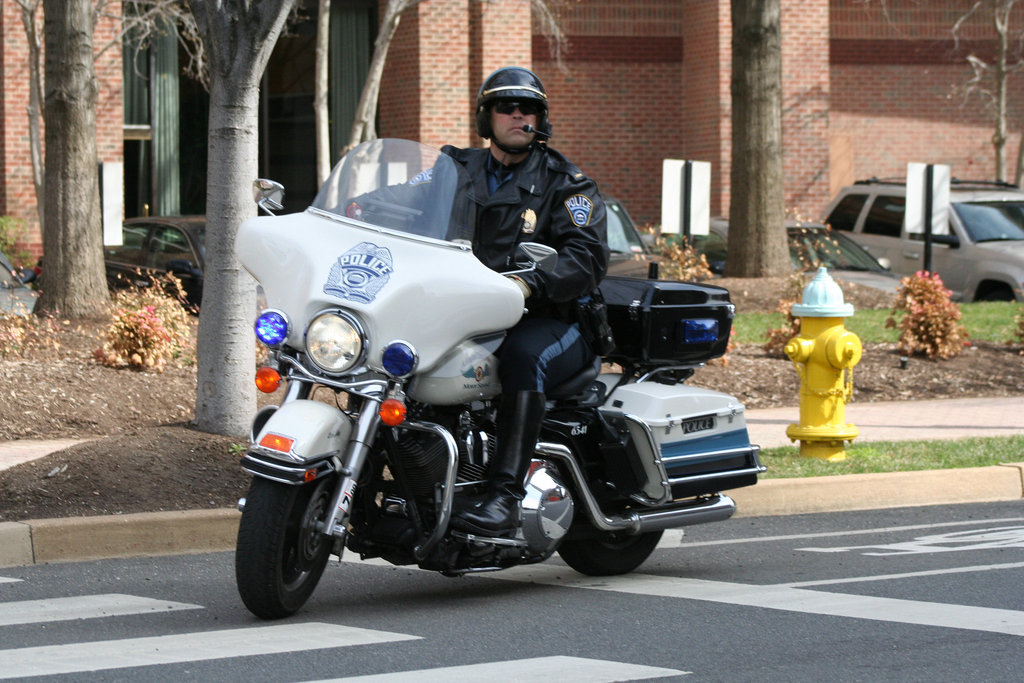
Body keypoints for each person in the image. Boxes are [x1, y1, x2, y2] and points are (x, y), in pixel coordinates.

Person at [443, 66, 609, 536]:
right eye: (506, 107)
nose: (518, 116)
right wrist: (343, 214)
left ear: (541, 119)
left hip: (552, 317)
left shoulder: (566, 182)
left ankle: (504, 496)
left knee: (523, 357)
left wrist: (530, 282)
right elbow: (396, 205)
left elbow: (587, 257)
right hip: (465, 315)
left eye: (528, 108)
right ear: (486, 117)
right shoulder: (454, 169)